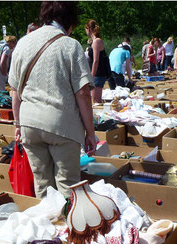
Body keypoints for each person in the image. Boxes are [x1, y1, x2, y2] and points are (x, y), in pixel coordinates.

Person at [9, 1, 96, 199]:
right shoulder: (70, 46)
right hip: (62, 125)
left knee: (43, 186)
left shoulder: (23, 42)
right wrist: (90, 132)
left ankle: (48, 226)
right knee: (68, 187)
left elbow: (14, 91)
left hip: (29, 123)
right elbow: (82, 93)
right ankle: (68, 228)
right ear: (69, 21)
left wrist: (18, 124)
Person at [85, 20, 110, 103]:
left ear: (88, 29)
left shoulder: (96, 42)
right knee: (95, 99)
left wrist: (91, 76)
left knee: (96, 100)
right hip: (98, 74)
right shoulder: (95, 41)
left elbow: (96, 61)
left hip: (98, 74)